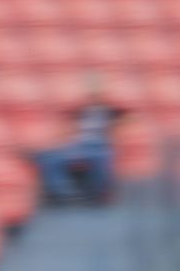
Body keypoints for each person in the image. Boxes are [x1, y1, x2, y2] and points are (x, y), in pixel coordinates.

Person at [31, 75, 127, 205]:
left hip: (100, 147)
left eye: (97, 93)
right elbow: (65, 129)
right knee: (50, 159)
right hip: (77, 146)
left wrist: (115, 129)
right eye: (91, 93)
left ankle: (97, 193)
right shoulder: (79, 111)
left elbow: (128, 120)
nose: (93, 96)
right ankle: (60, 192)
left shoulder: (112, 111)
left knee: (103, 158)